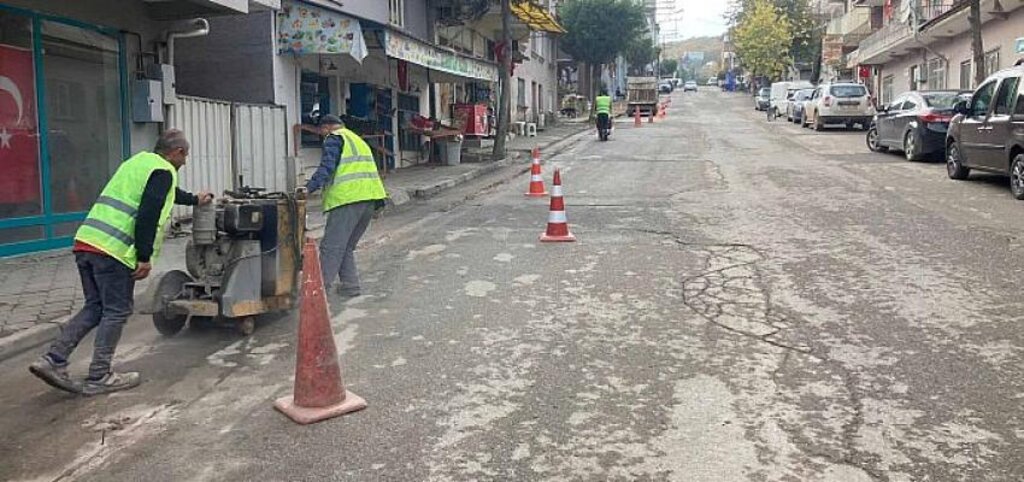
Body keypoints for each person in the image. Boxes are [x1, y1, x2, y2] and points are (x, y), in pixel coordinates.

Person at [29, 129, 212, 396]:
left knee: (95, 307)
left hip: (87, 241)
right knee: (116, 311)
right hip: (113, 251)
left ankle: (52, 359)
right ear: (177, 152)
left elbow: (166, 193)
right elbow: (148, 213)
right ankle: (100, 375)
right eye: (185, 156)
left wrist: (196, 199)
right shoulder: (163, 171)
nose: (185, 161)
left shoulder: (138, 162)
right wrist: (143, 257)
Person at [304, 115, 387, 298]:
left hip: (348, 199)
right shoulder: (356, 139)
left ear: (326, 128)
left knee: (331, 247)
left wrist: (308, 188)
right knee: (346, 246)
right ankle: (350, 286)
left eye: (321, 133)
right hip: (370, 199)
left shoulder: (334, 138)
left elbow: (327, 167)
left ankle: (317, 293)